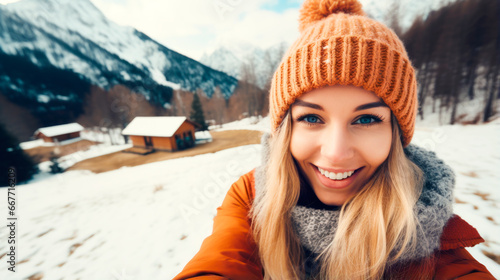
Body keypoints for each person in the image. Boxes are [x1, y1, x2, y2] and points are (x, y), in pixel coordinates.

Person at [173, 0, 495, 279]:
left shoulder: (425, 229)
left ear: (396, 134)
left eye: (367, 119)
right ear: (286, 129)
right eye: (311, 118)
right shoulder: (252, 196)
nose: (336, 153)